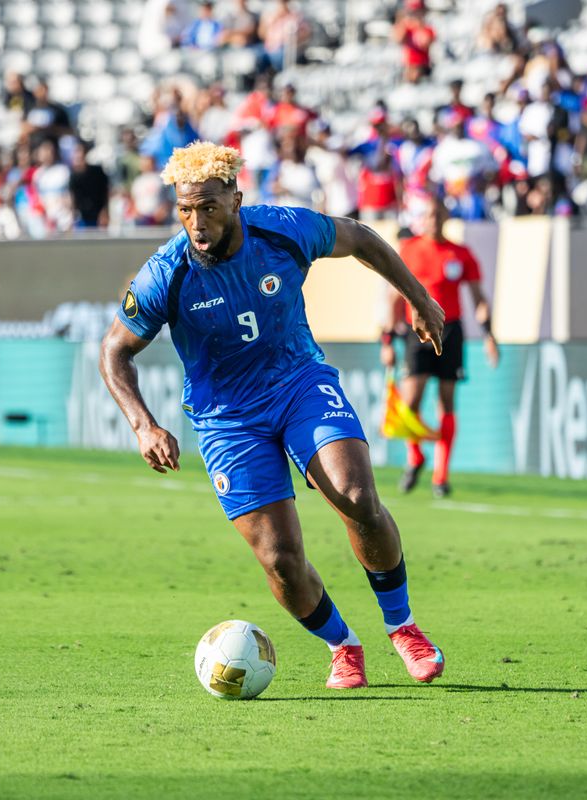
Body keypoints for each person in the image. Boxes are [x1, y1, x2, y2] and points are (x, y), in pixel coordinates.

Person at [100, 141, 448, 690]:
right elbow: (115, 351)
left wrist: (417, 297)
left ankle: (402, 627)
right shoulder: (165, 272)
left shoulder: (284, 229)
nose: (197, 223)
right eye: (185, 211)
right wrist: (143, 423)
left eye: (209, 208)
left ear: (236, 200)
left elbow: (360, 238)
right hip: (226, 419)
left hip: (299, 383)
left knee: (357, 498)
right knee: (281, 560)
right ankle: (342, 645)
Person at [381, 197, 497, 498]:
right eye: (429, 215)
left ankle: (440, 476)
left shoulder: (460, 253)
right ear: (422, 219)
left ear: (445, 217)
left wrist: (488, 335)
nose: (434, 220)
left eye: (438, 215)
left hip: (450, 331)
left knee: (447, 401)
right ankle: (415, 457)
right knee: (411, 402)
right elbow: (393, 298)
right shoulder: (409, 250)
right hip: (415, 331)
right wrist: (386, 341)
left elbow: (478, 298)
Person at [393, 0, 436, 83]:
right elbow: (398, 39)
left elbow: (425, 42)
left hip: (422, 67)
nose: (415, 15)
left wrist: (418, 25)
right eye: (413, 12)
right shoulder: (406, 28)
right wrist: (402, 21)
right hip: (408, 65)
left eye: (418, 11)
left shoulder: (428, 28)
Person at [69, 140, 110, 228]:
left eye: (80, 151)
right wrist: (72, 219)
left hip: (98, 217)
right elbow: (73, 198)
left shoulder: (97, 172)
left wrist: (105, 211)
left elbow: (105, 192)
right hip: (82, 218)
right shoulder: (73, 176)